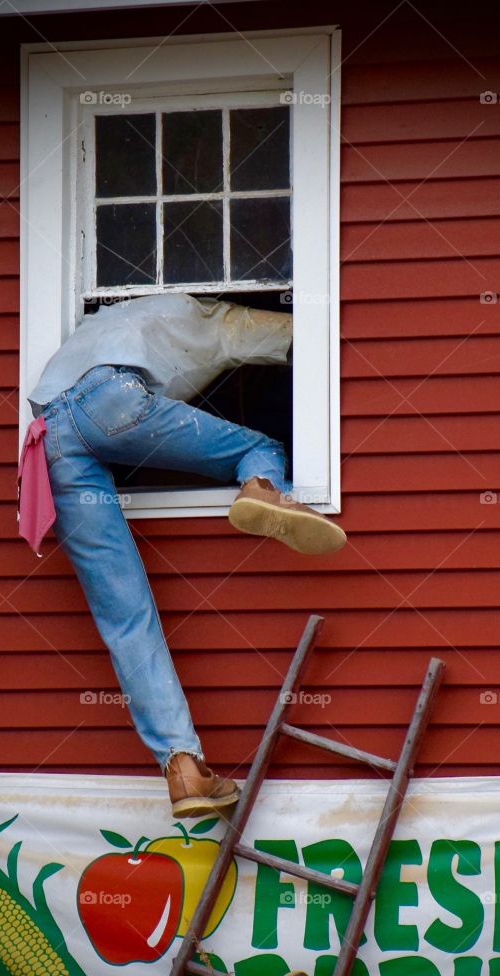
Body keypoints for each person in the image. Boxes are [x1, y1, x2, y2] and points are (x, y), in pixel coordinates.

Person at [22, 293, 345, 818]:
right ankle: (261, 486)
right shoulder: (205, 312)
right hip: (113, 396)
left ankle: (184, 770)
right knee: (256, 445)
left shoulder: (97, 325)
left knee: (126, 619)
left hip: (50, 437)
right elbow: (294, 333)